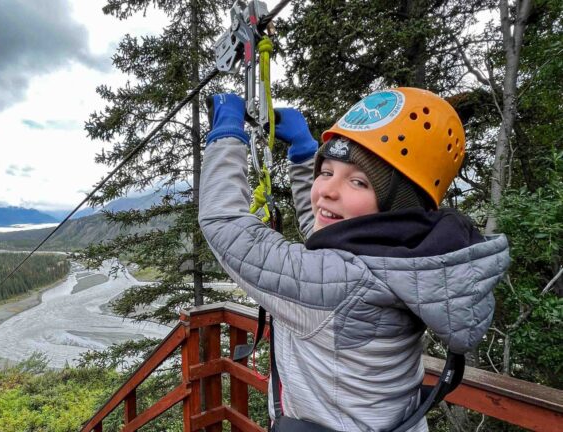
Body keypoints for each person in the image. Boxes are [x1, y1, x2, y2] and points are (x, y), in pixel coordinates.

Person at [198, 88, 510, 431]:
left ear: (396, 206)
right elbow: (324, 234)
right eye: (326, 171)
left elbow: (225, 225)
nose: (328, 190)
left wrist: (226, 133)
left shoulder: (342, 285)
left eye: (358, 182)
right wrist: (303, 155)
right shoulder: (406, 259)